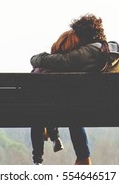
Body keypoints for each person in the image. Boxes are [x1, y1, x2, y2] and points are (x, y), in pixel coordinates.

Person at [30, 13, 119, 165]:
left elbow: (58, 60)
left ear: (83, 37)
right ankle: (82, 156)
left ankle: (80, 157)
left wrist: (35, 59)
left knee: (72, 109)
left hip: (87, 110)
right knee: (75, 104)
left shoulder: (88, 53)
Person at [31, 30, 81, 165]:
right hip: (66, 112)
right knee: (50, 106)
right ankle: (54, 136)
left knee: (38, 113)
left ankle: (37, 160)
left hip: (41, 111)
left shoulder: (42, 66)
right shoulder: (75, 68)